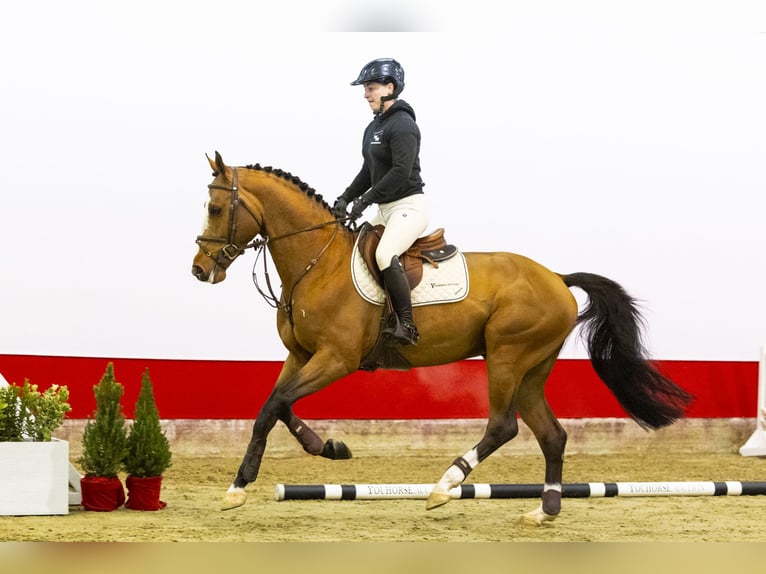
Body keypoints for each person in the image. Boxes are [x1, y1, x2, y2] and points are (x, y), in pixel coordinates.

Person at [333, 57, 428, 346]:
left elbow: (400, 171)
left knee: (385, 255)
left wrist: (365, 200)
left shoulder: (403, 125)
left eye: (371, 88)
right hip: (385, 209)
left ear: (390, 87)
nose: (365, 94)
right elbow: (368, 171)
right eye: (365, 88)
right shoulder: (373, 128)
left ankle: (407, 325)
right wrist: (346, 197)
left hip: (409, 207)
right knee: (353, 251)